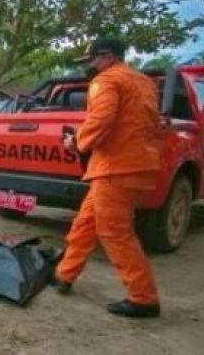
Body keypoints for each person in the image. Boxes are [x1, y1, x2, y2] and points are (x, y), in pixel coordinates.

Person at [54, 36, 161, 318]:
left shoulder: (107, 81)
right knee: (85, 223)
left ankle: (144, 298)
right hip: (136, 165)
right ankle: (64, 274)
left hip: (116, 168)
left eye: (92, 59)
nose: (90, 66)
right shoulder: (145, 82)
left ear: (109, 56)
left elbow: (101, 119)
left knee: (115, 233)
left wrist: (76, 142)